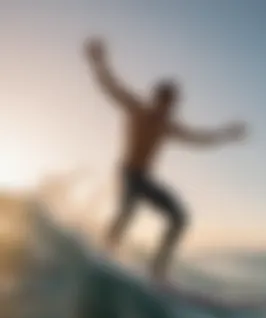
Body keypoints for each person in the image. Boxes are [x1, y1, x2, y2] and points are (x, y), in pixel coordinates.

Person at [84, 37, 248, 281]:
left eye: (173, 104)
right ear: (158, 99)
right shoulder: (137, 108)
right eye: (168, 102)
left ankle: (157, 272)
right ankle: (104, 254)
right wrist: (99, 62)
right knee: (128, 210)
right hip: (128, 172)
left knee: (179, 218)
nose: (171, 108)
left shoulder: (167, 126)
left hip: (145, 177)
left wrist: (226, 134)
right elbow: (111, 86)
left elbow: (198, 138)